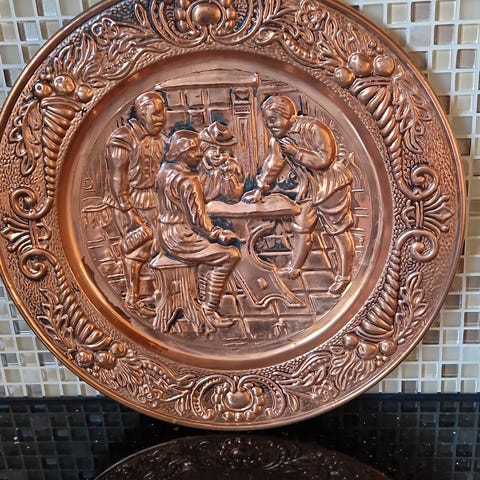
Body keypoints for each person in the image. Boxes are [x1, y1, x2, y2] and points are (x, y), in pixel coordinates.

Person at [243, 95, 354, 296]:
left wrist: (296, 152)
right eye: (266, 121)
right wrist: (259, 189)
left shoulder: (313, 129)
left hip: (331, 186)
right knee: (301, 227)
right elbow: (273, 163)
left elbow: (325, 160)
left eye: (273, 120)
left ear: (288, 116)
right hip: (309, 188)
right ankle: (294, 268)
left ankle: (344, 276)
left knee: (338, 231)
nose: (269, 125)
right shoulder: (278, 140)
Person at [156, 130, 241, 329]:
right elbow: (197, 221)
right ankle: (209, 309)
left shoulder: (164, 171)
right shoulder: (188, 179)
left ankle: (203, 293)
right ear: (181, 152)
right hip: (181, 236)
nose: (199, 155)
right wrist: (217, 234)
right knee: (230, 255)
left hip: (165, 232)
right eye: (194, 151)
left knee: (218, 252)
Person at [104, 91, 168, 315]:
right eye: (155, 114)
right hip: (128, 200)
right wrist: (129, 211)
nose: (161, 119)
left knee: (159, 245)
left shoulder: (161, 140)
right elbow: (117, 179)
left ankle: (161, 295)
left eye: (163, 113)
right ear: (141, 115)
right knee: (137, 248)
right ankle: (132, 299)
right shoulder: (123, 139)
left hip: (153, 198)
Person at [198, 121, 244, 202]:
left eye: (223, 151)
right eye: (212, 149)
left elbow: (235, 196)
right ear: (204, 150)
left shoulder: (233, 166)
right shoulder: (198, 166)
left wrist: (227, 176)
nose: (217, 154)